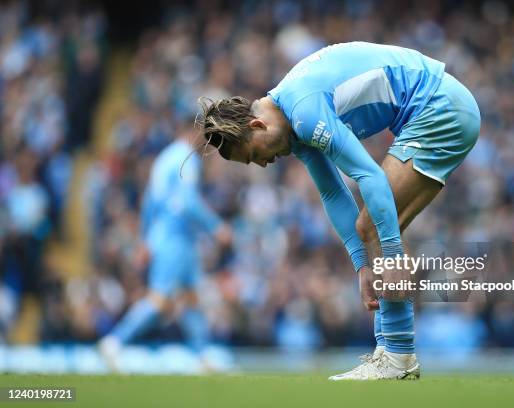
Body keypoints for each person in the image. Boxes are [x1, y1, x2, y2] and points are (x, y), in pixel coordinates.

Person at [196, 42, 480, 380]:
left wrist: (389, 256)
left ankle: (397, 356)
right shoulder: (292, 120)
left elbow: (369, 175)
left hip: (439, 106)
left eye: (253, 154)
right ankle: (394, 353)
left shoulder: (303, 109)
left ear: (257, 126)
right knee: (373, 225)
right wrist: (362, 265)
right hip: (444, 106)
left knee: (374, 226)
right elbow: (332, 192)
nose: (262, 164)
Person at [98, 127, 232, 372]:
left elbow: (149, 201)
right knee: (159, 300)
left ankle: (203, 357)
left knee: (191, 298)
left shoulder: (164, 159)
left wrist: (146, 239)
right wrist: (216, 226)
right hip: (175, 237)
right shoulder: (185, 158)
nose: (209, 140)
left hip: (171, 236)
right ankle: (115, 341)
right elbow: (188, 200)